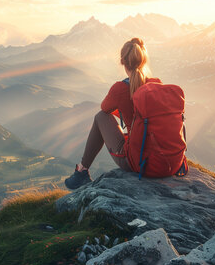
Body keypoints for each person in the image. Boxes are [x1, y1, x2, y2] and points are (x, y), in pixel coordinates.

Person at [65, 37, 158, 189]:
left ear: (122, 61)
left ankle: (82, 171)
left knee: (101, 116)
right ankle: (82, 170)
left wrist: (123, 107)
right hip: (164, 159)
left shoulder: (120, 89)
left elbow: (105, 108)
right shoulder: (155, 84)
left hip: (138, 161)